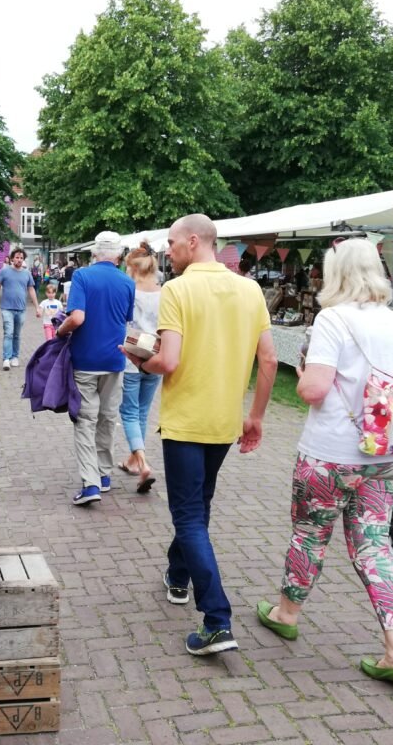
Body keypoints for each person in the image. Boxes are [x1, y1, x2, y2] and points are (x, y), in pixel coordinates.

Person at [256, 237, 393, 687]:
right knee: (374, 545)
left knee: (310, 534)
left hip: (332, 453)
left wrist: (301, 373)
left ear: (336, 272)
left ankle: (286, 613)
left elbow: (313, 390)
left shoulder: (332, 319)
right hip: (385, 451)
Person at [123, 214, 276, 656]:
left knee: (189, 516)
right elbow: (268, 360)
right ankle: (177, 576)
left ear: (194, 241)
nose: (168, 252)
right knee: (198, 505)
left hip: (187, 420)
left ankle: (216, 619)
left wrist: (138, 358)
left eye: (172, 243)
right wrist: (256, 416)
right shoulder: (250, 290)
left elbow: (168, 361)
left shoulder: (178, 289)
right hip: (224, 420)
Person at [56, 231, 135, 506]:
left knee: (85, 420)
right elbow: (125, 319)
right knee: (107, 418)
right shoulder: (127, 282)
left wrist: (60, 331)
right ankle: (103, 474)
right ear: (119, 255)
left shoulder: (82, 276)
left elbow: (77, 317)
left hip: (86, 360)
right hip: (115, 360)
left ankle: (90, 484)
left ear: (94, 254)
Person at [116, 241, 162, 493]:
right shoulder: (164, 292)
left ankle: (142, 463)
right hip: (155, 357)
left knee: (130, 412)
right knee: (142, 412)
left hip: (132, 357)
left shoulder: (128, 291)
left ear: (133, 268)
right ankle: (133, 460)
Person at [0, 248, 41, 370]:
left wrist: (37, 307)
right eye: (17, 257)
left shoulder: (27, 273)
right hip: (7, 308)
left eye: (21, 258)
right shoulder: (4, 271)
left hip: (21, 309)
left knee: (17, 334)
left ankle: (15, 357)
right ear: (12, 258)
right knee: (9, 333)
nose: (19, 260)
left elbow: (31, 289)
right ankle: (6, 359)